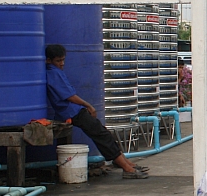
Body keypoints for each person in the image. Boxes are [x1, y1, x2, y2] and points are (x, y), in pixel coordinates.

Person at [45, 44, 148, 179]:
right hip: (70, 112)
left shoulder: (54, 71)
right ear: (48, 60)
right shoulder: (53, 73)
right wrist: (88, 105)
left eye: (63, 60)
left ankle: (126, 163)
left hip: (71, 111)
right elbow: (68, 96)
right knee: (101, 134)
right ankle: (127, 168)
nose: (62, 63)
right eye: (58, 61)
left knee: (102, 132)